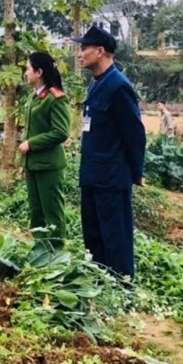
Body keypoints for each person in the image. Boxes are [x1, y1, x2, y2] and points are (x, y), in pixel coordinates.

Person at [72, 25, 147, 281]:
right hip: (92, 174)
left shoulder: (118, 86)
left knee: (115, 236)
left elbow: (134, 134)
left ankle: (121, 286)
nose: (79, 54)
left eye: (84, 48)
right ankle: (100, 281)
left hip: (112, 177)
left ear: (100, 51)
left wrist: (137, 173)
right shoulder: (96, 83)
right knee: (93, 234)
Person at [18, 51, 72, 247]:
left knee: (53, 213)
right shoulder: (34, 97)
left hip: (49, 166)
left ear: (39, 71)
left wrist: (31, 144)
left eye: (27, 68)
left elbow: (61, 132)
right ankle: (41, 250)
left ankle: (56, 253)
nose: (25, 73)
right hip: (33, 165)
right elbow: (30, 130)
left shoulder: (56, 98)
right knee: (36, 213)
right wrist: (24, 163)